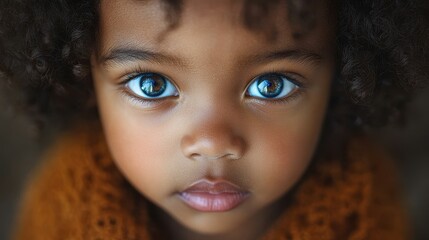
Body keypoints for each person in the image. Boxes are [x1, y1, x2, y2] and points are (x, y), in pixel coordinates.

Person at [0, 0, 427, 239]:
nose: (212, 141)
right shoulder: (59, 215)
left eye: (271, 86)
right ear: (83, 77)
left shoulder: (368, 219)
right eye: (151, 85)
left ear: (342, 78)